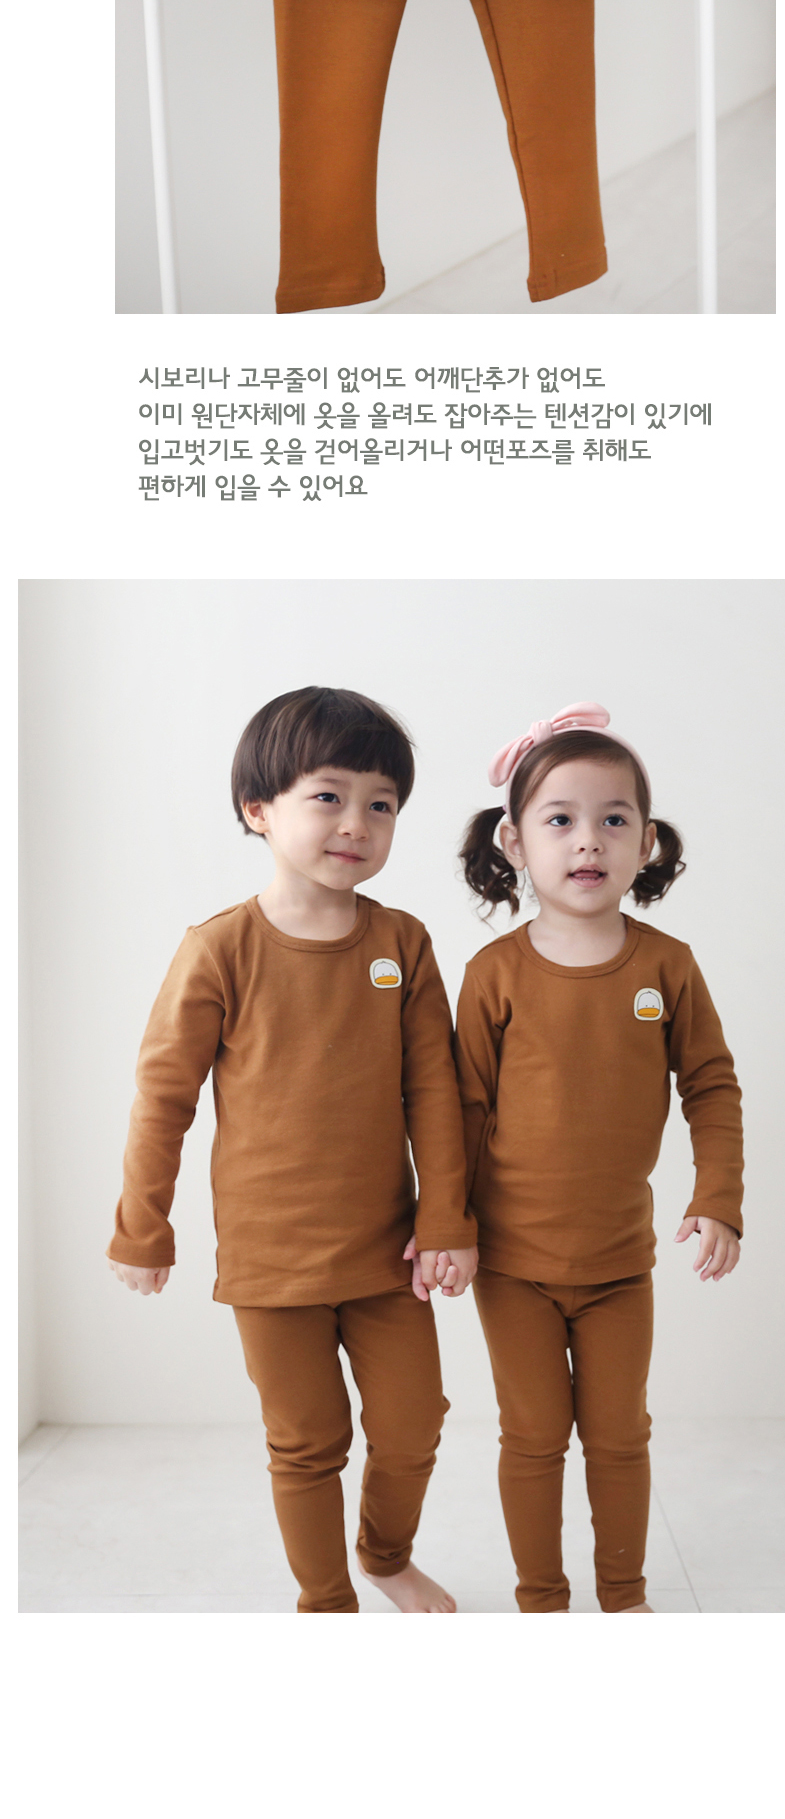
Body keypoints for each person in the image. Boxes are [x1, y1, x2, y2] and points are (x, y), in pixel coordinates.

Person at [108, 686, 476, 1613]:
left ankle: (384, 1557)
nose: (357, 823)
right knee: (308, 1441)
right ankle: (326, 1605)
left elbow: (436, 1091)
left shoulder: (403, 943)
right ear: (259, 809)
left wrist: (447, 1217)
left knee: (414, 1425)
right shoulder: (219, 949)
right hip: (272, 1260)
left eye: (381, 804)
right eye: (329, 796)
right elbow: (164, 1100)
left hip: (389, 1251)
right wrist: (142, 1227)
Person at [456, 706, 743, 1613]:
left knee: (619, 1436)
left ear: (645, 842)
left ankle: (625, 1597)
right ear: (515, 842)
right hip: (512, 1266)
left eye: (614, 819)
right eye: (561, 819)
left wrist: (719, 1197)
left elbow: (711, 1086)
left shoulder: (668, 966)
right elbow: (458, 1111)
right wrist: (444, 1225)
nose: (589, 840)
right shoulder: (493, 974)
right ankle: (542, 1600)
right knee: (533, 1436)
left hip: (621, 1264)